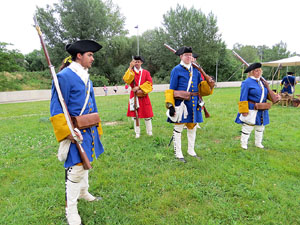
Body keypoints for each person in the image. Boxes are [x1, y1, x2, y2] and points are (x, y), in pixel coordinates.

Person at [50, 40, 104, 225]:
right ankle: (71, 210)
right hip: (74, 131)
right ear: (79, 56)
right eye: (90, 55)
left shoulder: (85, 76)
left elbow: (92, 103)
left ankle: (83, 192)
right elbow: (56, 108)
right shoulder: (64, 76)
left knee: (86, 162)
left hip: (89, 128)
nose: (92, 58)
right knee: (76, 169)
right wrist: (67, 133)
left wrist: (97, 127)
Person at [165, 46, 214, 163]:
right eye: (186, 55)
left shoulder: (196, 70)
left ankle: (191, 151)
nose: (189, 57)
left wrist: (209, 82)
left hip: (193, 103)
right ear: (181, 56)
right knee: (178, 128)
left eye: (190, 55)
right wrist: (170, 106)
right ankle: (178, 153)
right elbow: (171, 89)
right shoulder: (176, 70)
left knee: (192, 128)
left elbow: (201, 87)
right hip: (181, 103)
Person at [235, 62, 280, 150]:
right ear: (251, 72)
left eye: (259, 71)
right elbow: (243, 97)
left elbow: (265, 94)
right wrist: (244, 110)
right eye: (256, 71)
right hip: (251, 108)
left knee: (260, 127)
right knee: (248, 126)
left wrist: (274, 96)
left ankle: (258, 143)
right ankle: (244, 144)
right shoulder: (246, 82)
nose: (258, 72)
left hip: (262, 108)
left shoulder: (262, 82)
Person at [123, 56, 154, 138]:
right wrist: (130, 67)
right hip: (134, 96)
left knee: (147, 115)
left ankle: (149, 131)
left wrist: (139, 87)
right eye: (135, 62)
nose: (137, 63)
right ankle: (137, 133)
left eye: (138, 62)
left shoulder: (146, 72)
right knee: (135, 115)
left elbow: (150, 83)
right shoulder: (131, 72)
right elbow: (126, 79)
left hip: (143, 95)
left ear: (141, 63)